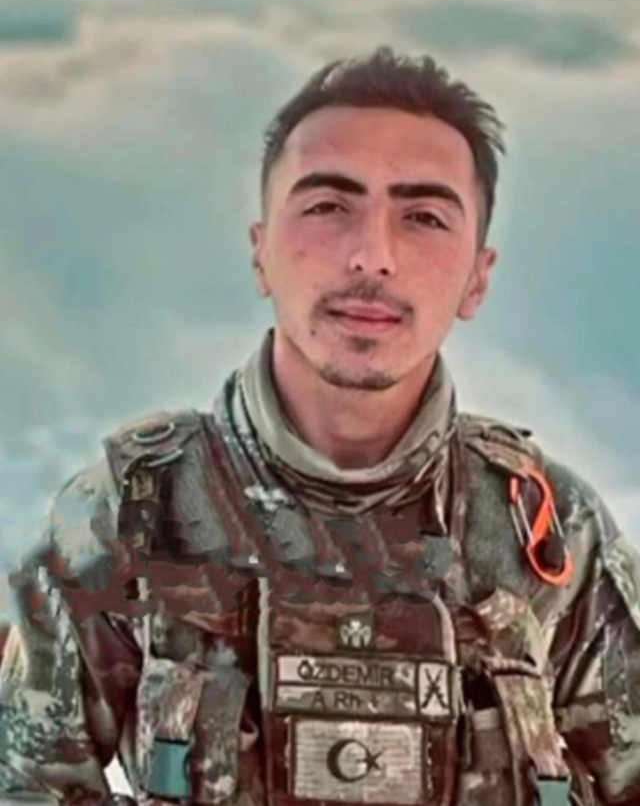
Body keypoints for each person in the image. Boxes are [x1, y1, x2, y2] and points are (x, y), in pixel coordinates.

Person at [1, 46, 639, 806]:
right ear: (260, 252)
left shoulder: (547, 532)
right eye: (329, 206)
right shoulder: (135, 510)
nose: (373, 256)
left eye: (424, 217)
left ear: (478, 277)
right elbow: (22, 783)